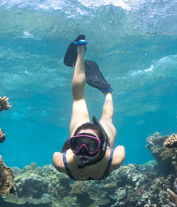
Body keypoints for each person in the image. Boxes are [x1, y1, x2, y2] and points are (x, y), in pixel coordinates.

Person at [53, 35, 125, 180]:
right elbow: (121, 148)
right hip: (104, 135)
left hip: (87, 133)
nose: (83, 151)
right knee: (106, 117)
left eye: (91, 146)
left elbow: (56, 154)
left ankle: (81, 49)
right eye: (78, 145)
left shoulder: (62, 163)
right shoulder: (113, 160)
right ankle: (107, 92)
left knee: (78, 100)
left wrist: (70, 147)